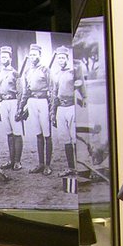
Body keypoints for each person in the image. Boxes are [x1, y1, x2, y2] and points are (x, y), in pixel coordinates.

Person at [18, 43, 53, 175]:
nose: (33, 57)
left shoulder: (45, 70)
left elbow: (51, 89)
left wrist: (52, 109)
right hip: (32, 102)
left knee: (47, 135)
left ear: (39, 55)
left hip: (43, 101)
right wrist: (21, 107)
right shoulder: (27, 71)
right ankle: (40, 163)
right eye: (31, 55)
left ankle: (48, 165)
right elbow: (26, 91)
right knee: (38, 134)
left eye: (35, 54)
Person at [49, 45, 83, 176]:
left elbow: (80, 89)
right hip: (61, 109)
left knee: (75, 138)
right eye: (59, 58)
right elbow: (54, 95)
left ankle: (80, 167)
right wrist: (53, 113)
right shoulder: (56, 75)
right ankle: (71, 167)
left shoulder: (73, 72)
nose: (61, 60)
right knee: (66, 139)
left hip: (71, 107)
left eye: (63, 58)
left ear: (67, 59)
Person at [0, 46, 23, 171]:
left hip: (13, 102)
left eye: (5, 56)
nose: (3, 59)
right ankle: (11, 159)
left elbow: (20, 92)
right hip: (3, 103)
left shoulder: (15, 73)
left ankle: (17, 161)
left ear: (10, 58)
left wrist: (20, 108)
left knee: (17, 133)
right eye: (1, 57)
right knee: (8, 133)